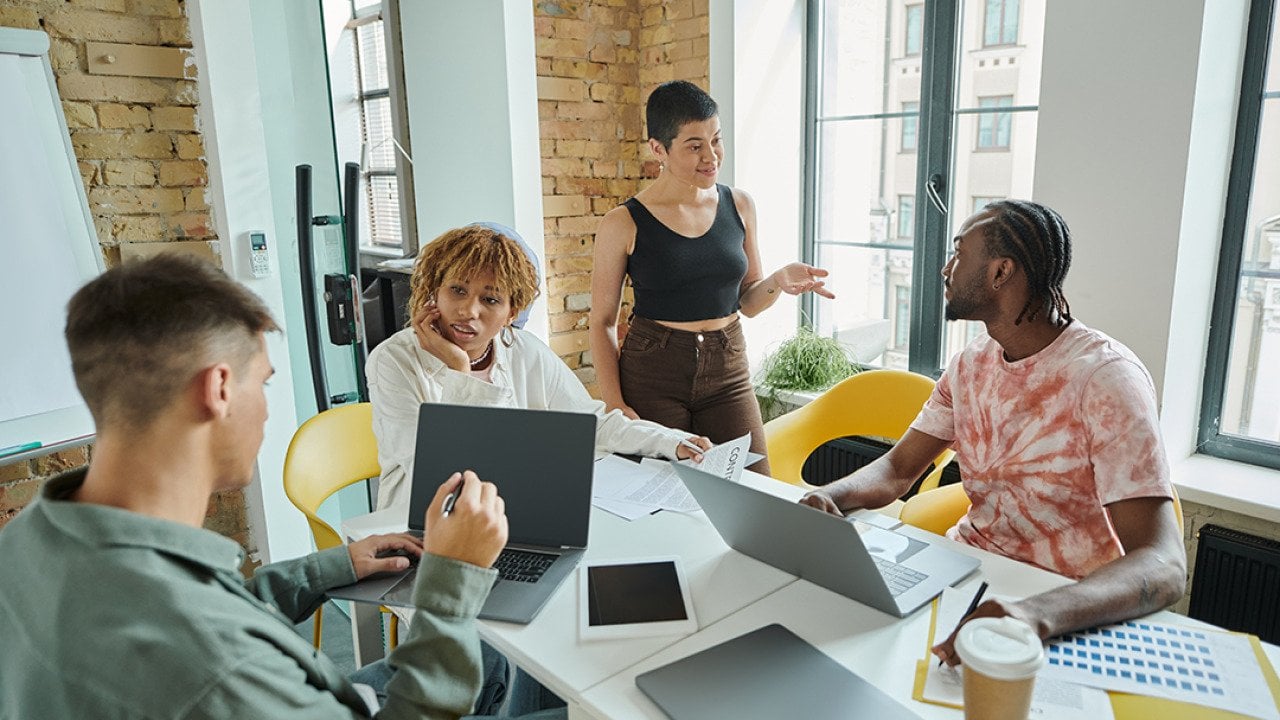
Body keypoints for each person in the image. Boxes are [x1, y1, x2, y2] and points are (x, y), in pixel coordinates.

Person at [0, 254, 562, 719]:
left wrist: (331, 567)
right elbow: (211, 650)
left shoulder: (33, 536)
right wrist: (453, 579)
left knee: (494, 666)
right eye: (263, 383)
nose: (267, 410)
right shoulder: (218, 669)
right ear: (218, 388)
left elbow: (212, 608)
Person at [799, 200, 1187, 665]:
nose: (945, 269)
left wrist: (1033, 614)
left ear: (1001, 271)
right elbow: (897, 470)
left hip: (1063, 605)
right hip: (968, 577)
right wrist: (828, 497)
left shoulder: (1106, 378)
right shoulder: (969, 364)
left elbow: (1164, 566)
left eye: (959, 254)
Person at [367, 223, 711, 514]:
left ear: (512, 312)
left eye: (490, 299)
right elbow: (444, 474)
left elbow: (589, 424)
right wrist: (459, 371)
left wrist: (672, 442)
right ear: (434, 292)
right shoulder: (393, 362)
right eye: (457, 290)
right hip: (424, 524)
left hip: (512, 513)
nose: (468, 311)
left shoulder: (524, 351)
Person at [591, 80, 835, 477]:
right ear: (659, 149)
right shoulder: (623, 222)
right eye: (693, 145)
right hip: (654, 371)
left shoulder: (739, 205)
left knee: (756, 486)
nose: (711, 156)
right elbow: (601, 322)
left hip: (728, 368)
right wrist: (615, 403)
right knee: (667, 494)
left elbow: (749, 303)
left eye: (716, 140)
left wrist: (778, 280)